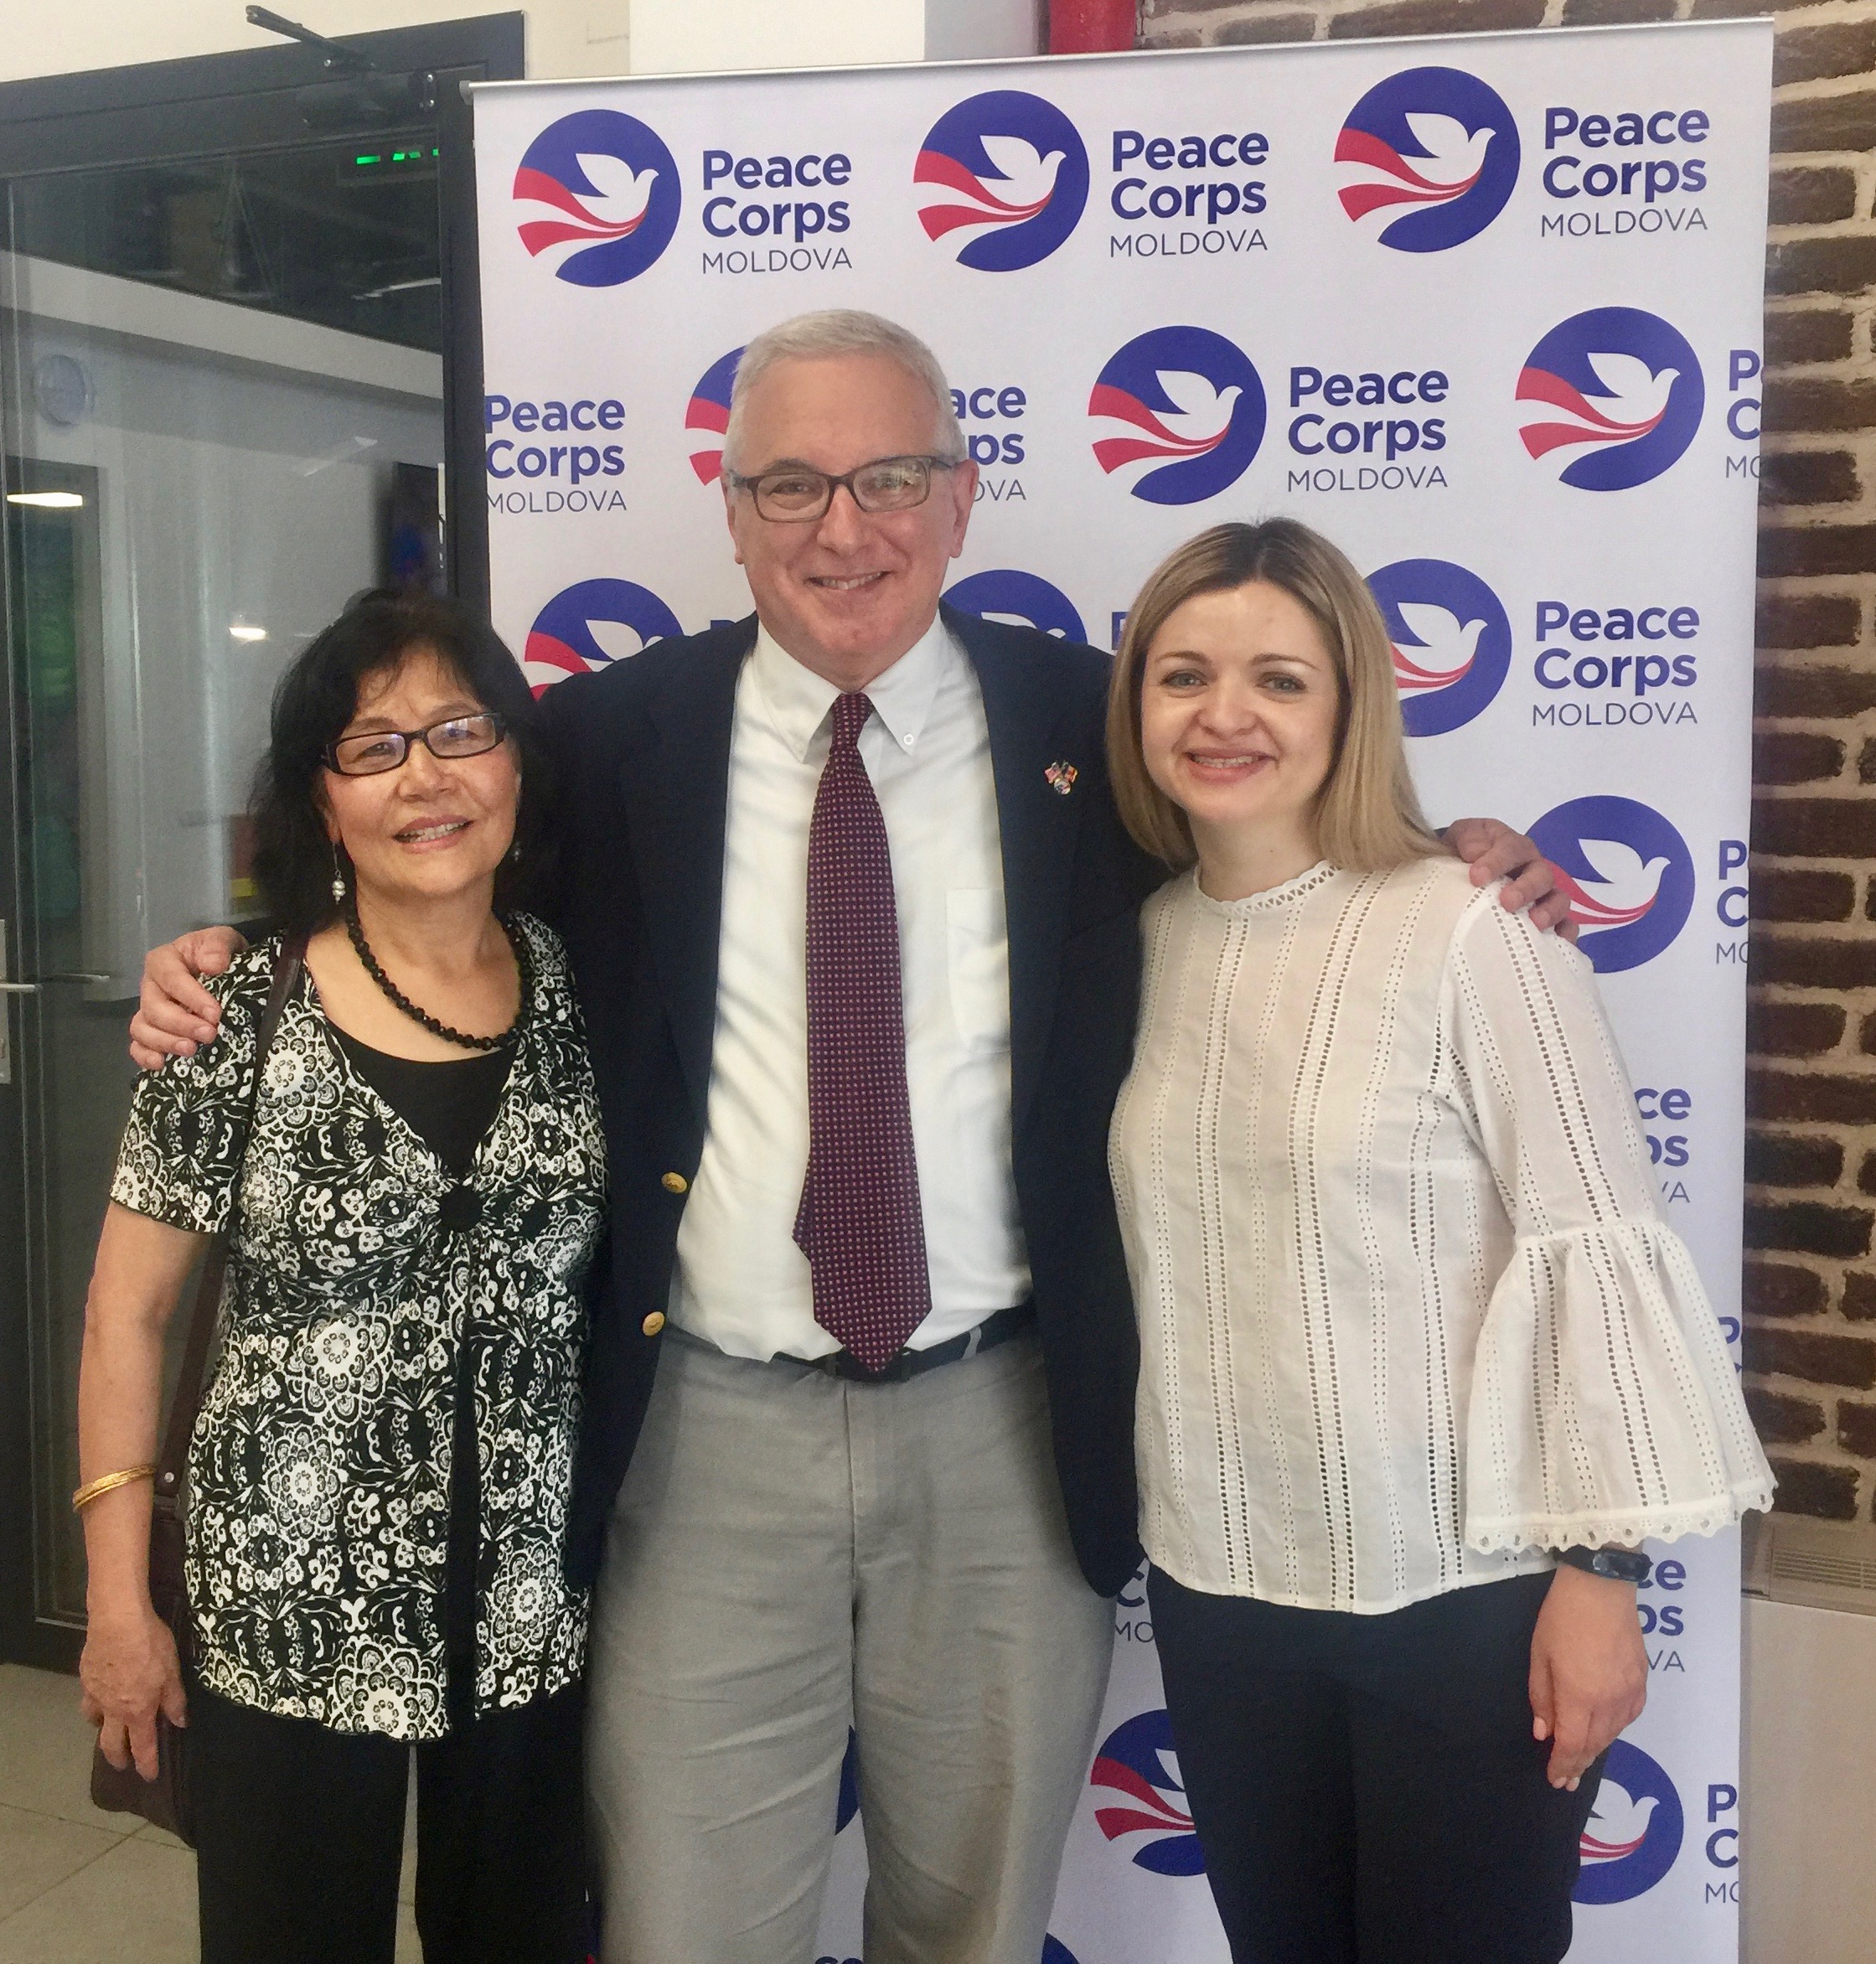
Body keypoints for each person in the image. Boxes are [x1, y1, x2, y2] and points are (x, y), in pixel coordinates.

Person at [128, 313, 1568, 1964]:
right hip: (706, 1440)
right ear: (732, 510)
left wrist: (1455, 847)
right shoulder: (599, 744)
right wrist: (238, 952)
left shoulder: (1101, 727)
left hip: (1005, 1432)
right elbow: (424, 874)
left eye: (889, 476)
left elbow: (1289, 845)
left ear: (959, 496)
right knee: (682, 1927)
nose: (843, 527)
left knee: (970, 1923)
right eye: (792, 484)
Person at [1104, 519, 1774, 1964]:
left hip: (1466, 1606)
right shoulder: (1139, 940)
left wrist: (1600, 1576)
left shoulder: (1471, 926)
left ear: (1350, 707)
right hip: (1221, 1595)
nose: (1225, 715)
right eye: (1184, 675)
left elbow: (1593, 1242)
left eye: (1280, 679)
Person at [80, 593, 606, 1964]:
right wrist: (121, 1608)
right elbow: (127, 1319)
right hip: (285, 1604)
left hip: (532, 1610)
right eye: (374, 748)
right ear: (322, 801)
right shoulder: (227, 1015)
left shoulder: (584, 989)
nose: (424, 778)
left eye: (459, 731)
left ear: (515, 762)